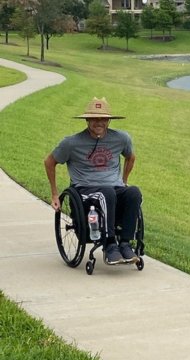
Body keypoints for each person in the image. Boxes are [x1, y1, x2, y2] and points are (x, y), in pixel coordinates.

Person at [44, 97, 142, 265]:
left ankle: (125, 243)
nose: (99, 122)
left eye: (103, 118)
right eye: (95, 118)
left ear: (109, 120)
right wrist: (54, 194)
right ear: (87, 119)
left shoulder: (121, 138)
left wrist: (123, 180)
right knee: (107, 193)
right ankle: (110, 244)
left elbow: (130, 157)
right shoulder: (71, 143)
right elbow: (49, 162)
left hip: (113, 187)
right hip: (85, 189)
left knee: (134, 192)